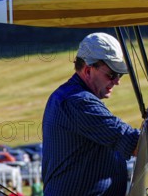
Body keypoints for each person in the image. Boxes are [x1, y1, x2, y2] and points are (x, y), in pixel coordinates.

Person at [42, 33, 140, 196]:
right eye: (111, 74)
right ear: (88, 70)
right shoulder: (79, 102)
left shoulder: (67, 96)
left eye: (119, 75)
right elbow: (134, 144)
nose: (117, 81)